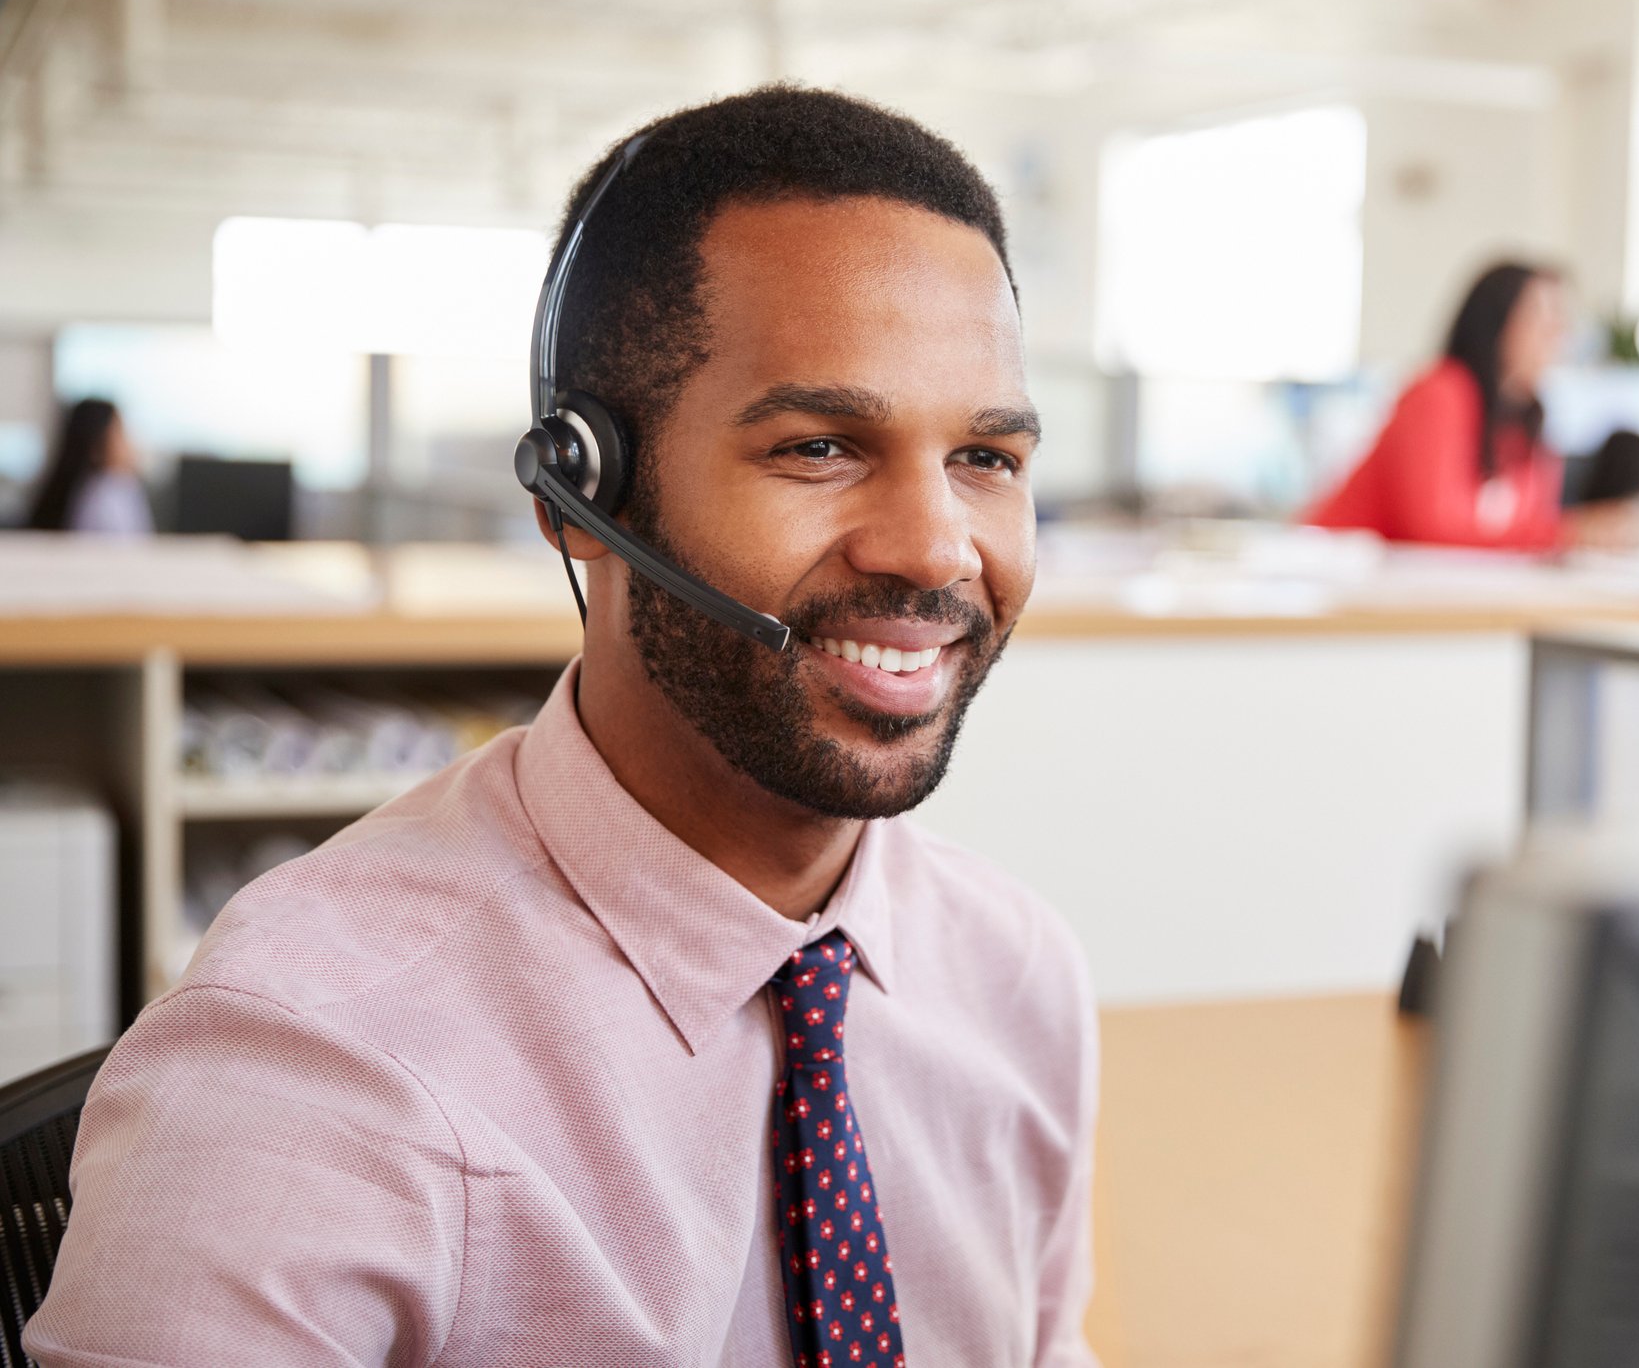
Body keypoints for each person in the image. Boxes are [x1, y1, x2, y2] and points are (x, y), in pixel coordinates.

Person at [27, 88, 1098, 1367]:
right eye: (820, 445)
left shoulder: (1018, 976)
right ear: (580, 495)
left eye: (987, 458)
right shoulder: (307, 1069)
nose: (934, 547)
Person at [1305, 262, 1570, 550]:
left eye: (1559, 318)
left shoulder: (1527, 423)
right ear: (1496, 323)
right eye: (1539, 317)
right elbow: (1430, 530)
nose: (1556, 333)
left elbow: (1532, 523)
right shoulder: (1440, 392)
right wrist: (1567, 535)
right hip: (1334, 569)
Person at [24, 398, 153, 535]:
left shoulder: (113, 487)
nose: (128, 441)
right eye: (120, 432)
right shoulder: (109, 493)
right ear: (96, 445)